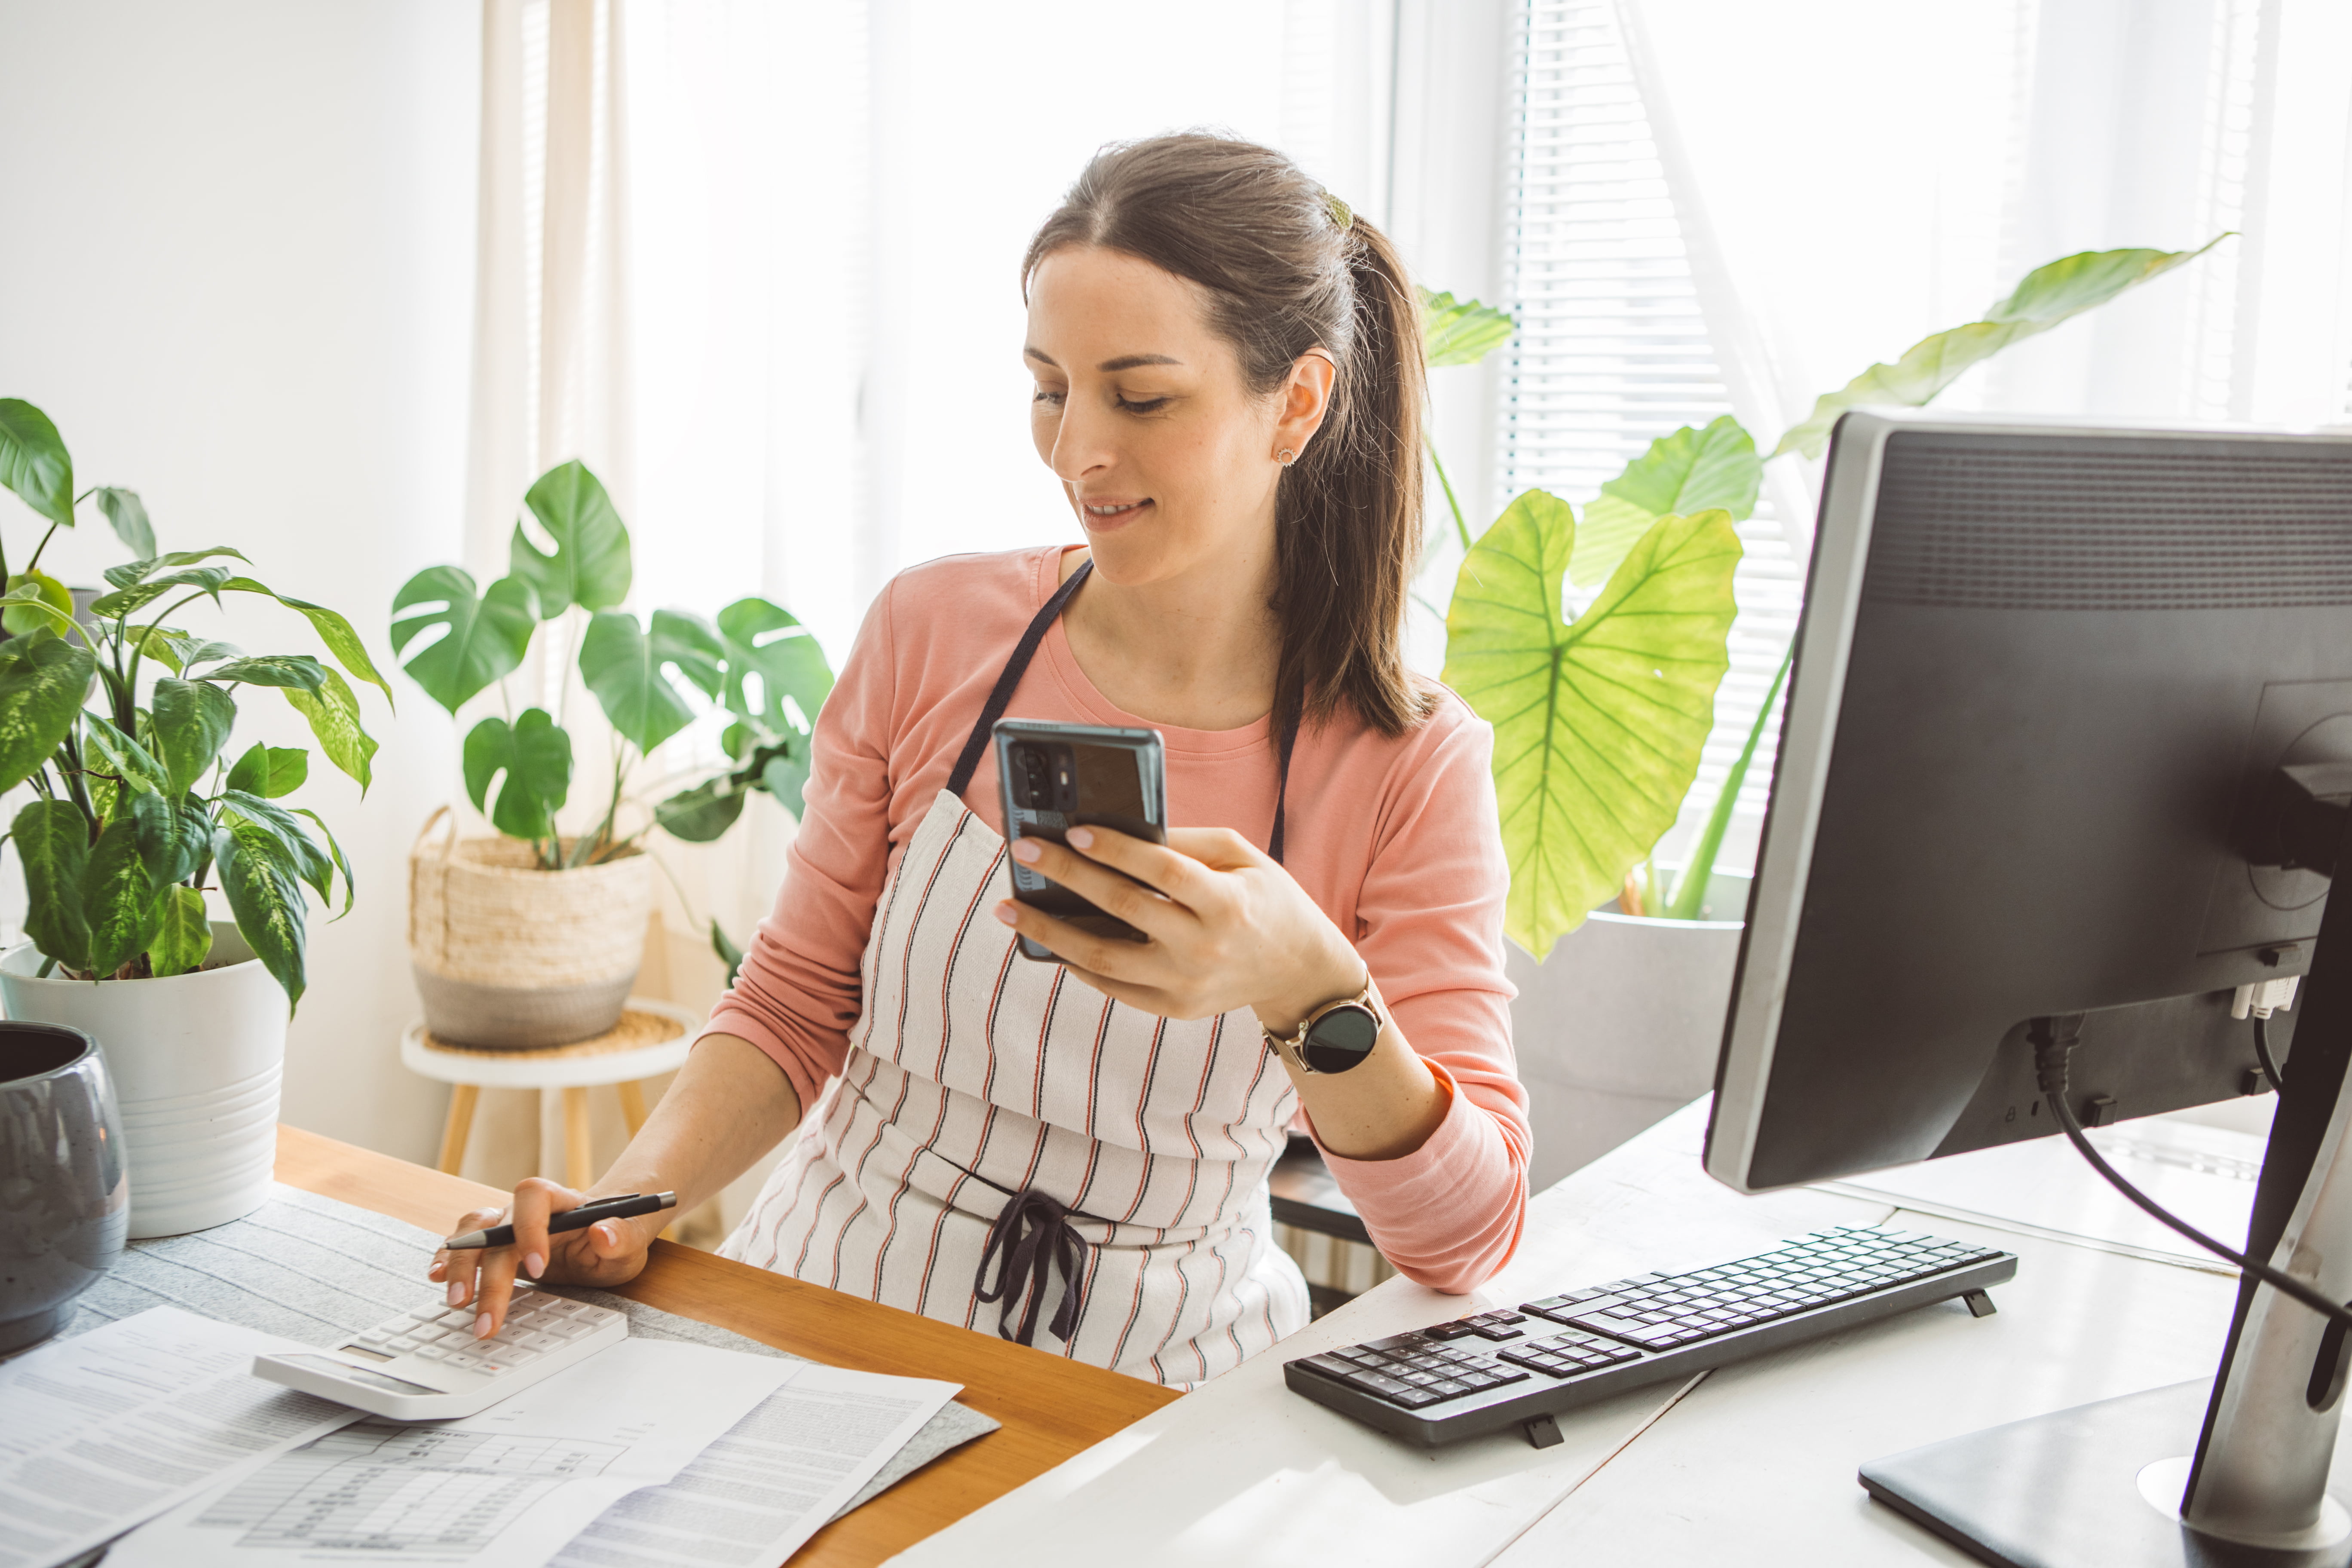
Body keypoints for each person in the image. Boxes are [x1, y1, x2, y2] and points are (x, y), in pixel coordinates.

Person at [433, 132, 1529, 1387]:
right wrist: (627, 1202)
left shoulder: (1410, 767)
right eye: (1050, 388)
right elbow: (793, 1004)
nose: (1076, 453)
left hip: (1156, 1393)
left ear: (1296, 403)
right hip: (825, 1312)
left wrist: (1312, 988)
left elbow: (1464, 1242)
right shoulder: (935, 631)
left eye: (1141, 397)